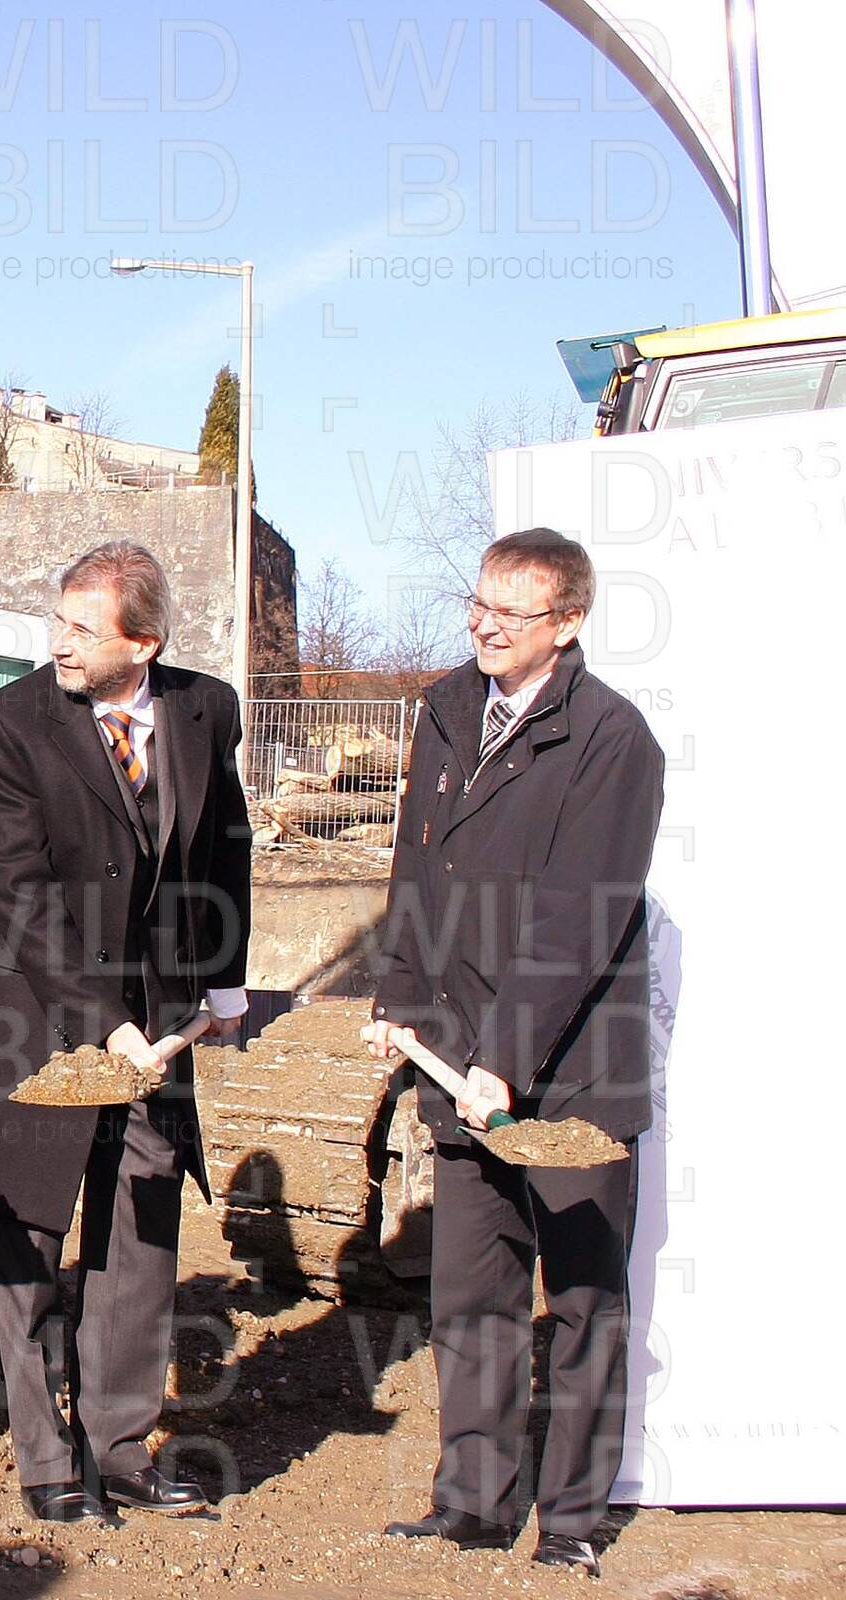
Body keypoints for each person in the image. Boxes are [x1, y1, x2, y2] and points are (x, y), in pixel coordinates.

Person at [364, 528, 663, 1579]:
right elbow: (416, 869)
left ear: (568, 622)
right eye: (479, 603)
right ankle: (474, 1501)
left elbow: (581, 914)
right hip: (458, 1057)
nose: (486, 625)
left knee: (582, 1300)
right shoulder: (448, 709)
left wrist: (508, 1057)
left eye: (512, 610)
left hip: (572, 1070)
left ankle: (574, 1516)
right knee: (472, 1296)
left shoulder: (612, 739)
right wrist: (401, 998)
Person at [0, 539, 250, 1525]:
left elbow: (226, 846)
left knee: (141, 1235)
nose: (60, 642)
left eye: (84, 628)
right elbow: (21, 892)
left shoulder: (206, 709)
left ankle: (118, 1451)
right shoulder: (9, 723)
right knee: (31, 1230)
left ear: (144, 642)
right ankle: (46, 1460)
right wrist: (103, 1025)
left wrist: (224, 980)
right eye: (59, 620)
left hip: (159, 1022)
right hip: (37, 1017)